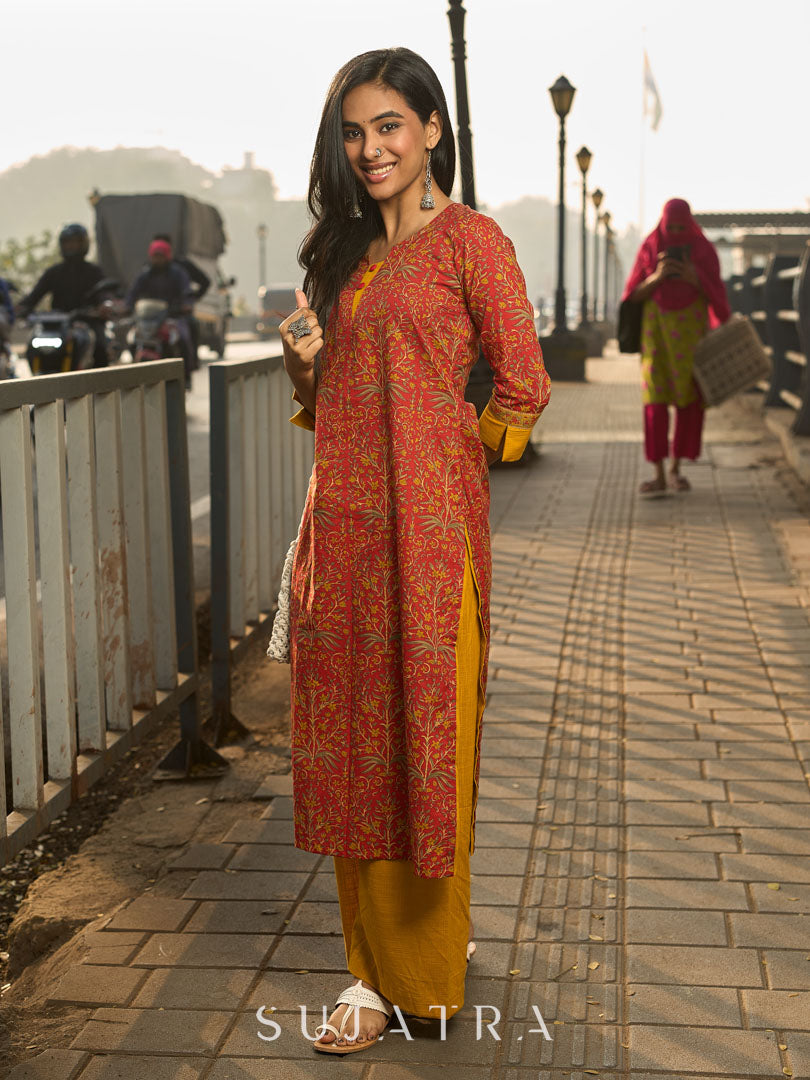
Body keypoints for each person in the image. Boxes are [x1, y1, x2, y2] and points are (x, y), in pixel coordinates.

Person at [279, 47, 550, 1056]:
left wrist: (446, 453)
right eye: (354, 132)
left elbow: (522, 390)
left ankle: (427, 975)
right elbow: (330, 408)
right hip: (342, 540)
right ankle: (365, 972)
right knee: (358, 752)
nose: (370, 148)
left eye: (390, 125)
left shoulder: (473, 243)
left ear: (433, 129)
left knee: (426, 753)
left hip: (433, 548)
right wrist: (306, 368)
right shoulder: (345, 254)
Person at [623, 198, 730, 494]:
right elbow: (632, 295)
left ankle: (675, 470)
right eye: (672, 228)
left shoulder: (704, 250)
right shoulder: (650, 246)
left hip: (690, 338)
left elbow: (719, 297)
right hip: (655, 336)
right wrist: (658, 276)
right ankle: (657, 472)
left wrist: (695, 278)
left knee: (688, 400)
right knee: (655, 403)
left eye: (682, 227)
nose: (677, 232)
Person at [16, 223, 111, 368]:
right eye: (68, 242)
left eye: (75, 242)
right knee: (32, 344)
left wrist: (104, 306)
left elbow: (104, 294)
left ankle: (102, 387)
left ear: (84, 244)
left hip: (86, 322)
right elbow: (34, 296)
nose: (71, 246)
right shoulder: (54, 272)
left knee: (99, 347)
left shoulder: (94, 272)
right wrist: (21, 308)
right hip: (57, 325)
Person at [125, 239, 194, 384]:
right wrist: (127, 306)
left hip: (172, 317)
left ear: (167, 256)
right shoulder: (145, 274)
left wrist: (185, 304)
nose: (158, 259)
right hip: (149, 319)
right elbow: (133, 293)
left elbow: (186, 292)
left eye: (161, 256)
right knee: (132, 340)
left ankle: (186, 376)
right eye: (155, 256)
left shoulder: (178, 274)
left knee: (182, 338)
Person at [152, 233, 211, 370]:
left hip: (177, 314)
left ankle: (190, 365)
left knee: (190, 328)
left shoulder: (181, 269)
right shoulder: (149, 270)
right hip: (155, 316)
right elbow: (136, 291)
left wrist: (191, 301)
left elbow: (202, 283)